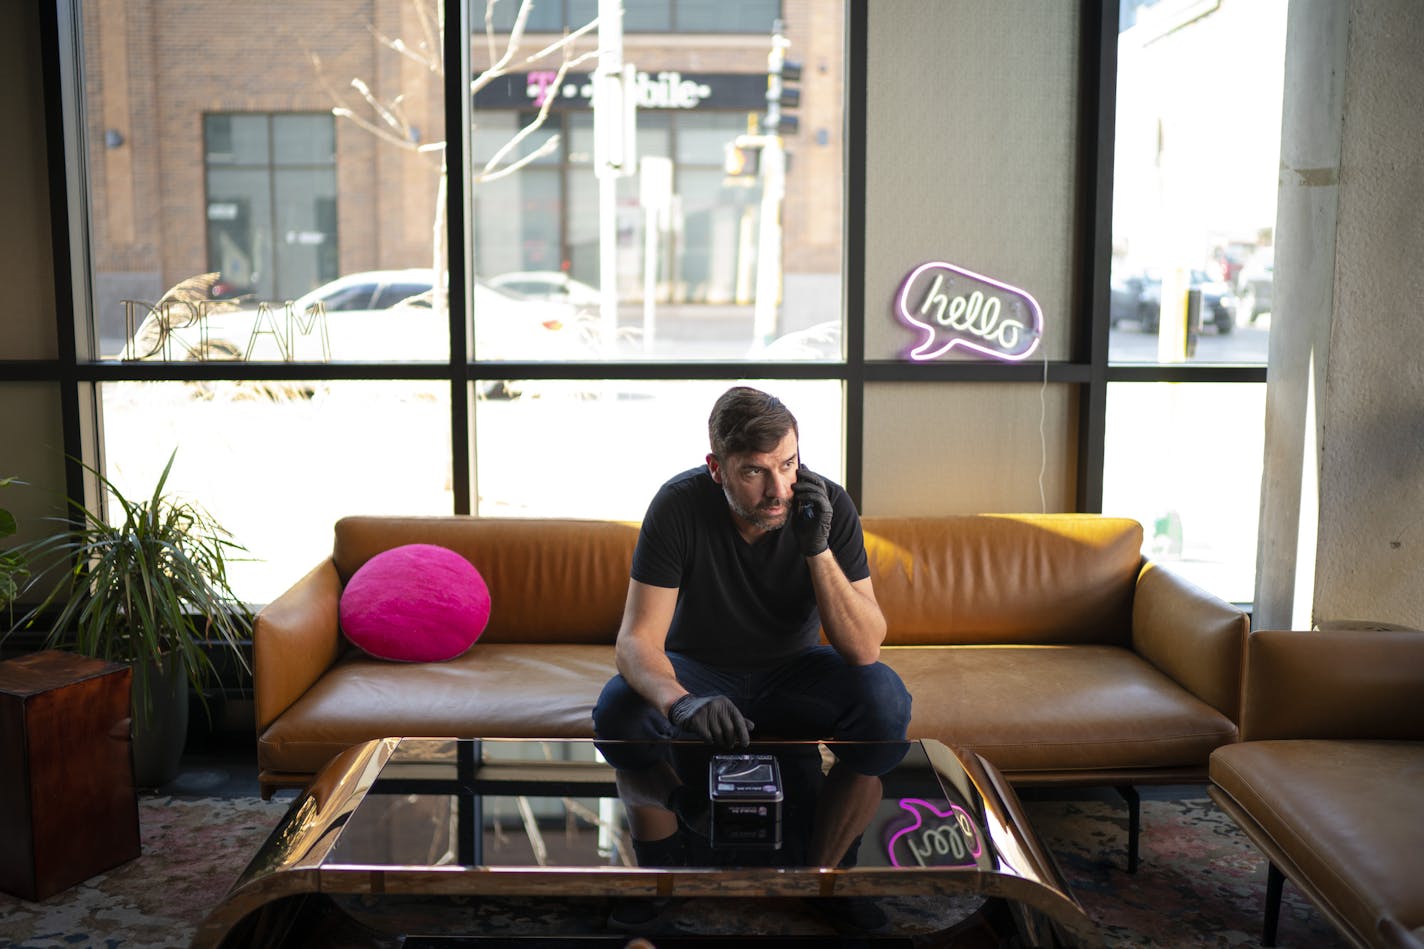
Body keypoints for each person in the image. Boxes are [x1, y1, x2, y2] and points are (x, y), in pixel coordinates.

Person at [592, 385, 913, 869]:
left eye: (788, 464)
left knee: (885, 703)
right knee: (619, 714)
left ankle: (827, 882)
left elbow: (865, 649)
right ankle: (658, 879)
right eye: (754, 472)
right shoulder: (678, 506)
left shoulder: (826, 504)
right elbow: (636, 641)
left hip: (795, 674)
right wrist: (682, 705)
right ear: (717, 468)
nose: (778, 490)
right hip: (698, 674)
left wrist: (816, 549)